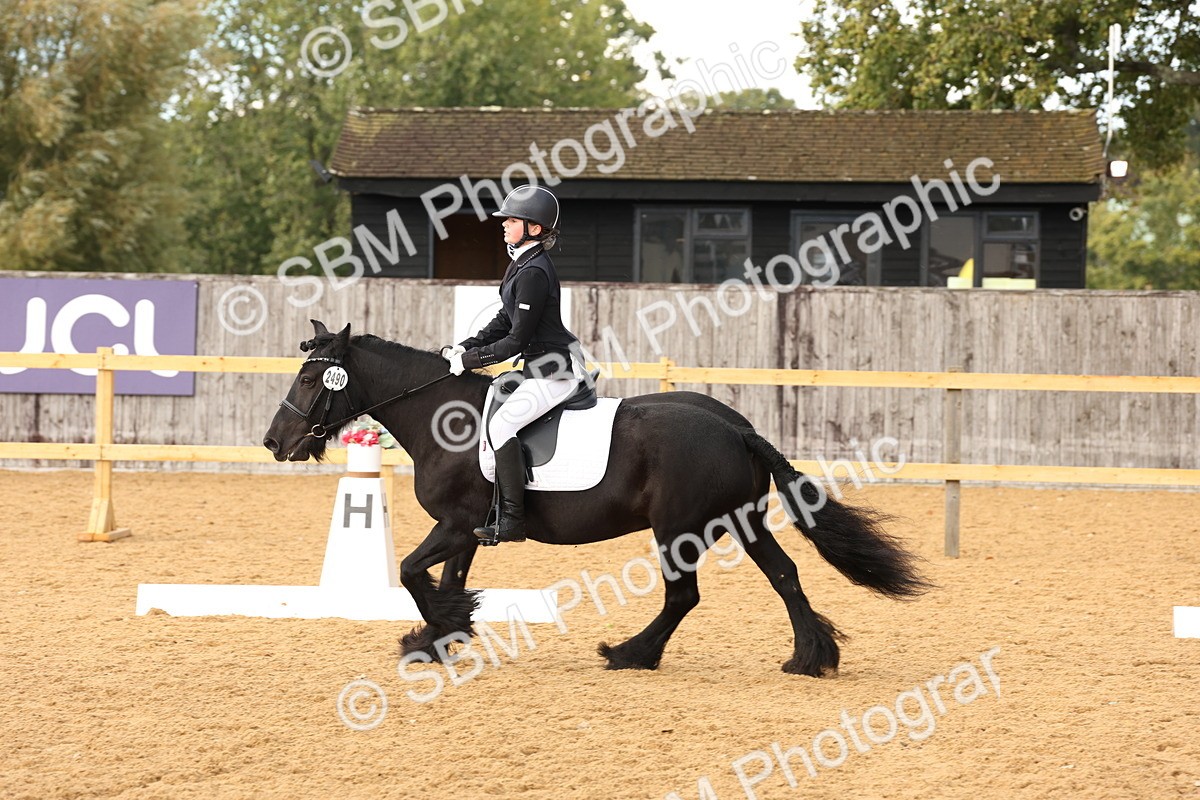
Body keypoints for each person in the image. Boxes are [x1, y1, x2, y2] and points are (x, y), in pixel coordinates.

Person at [441, 185, 587, 544]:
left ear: (534, 228)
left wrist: (468, 362)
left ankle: (512, 520)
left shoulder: (534, 271)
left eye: (512, 220)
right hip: (537, 367)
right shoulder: (522, 264)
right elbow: (504, 320)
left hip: (553, 371)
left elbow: (515, 341)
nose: (504, 224)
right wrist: (466, 345)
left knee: (503, 425)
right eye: (505, 219)